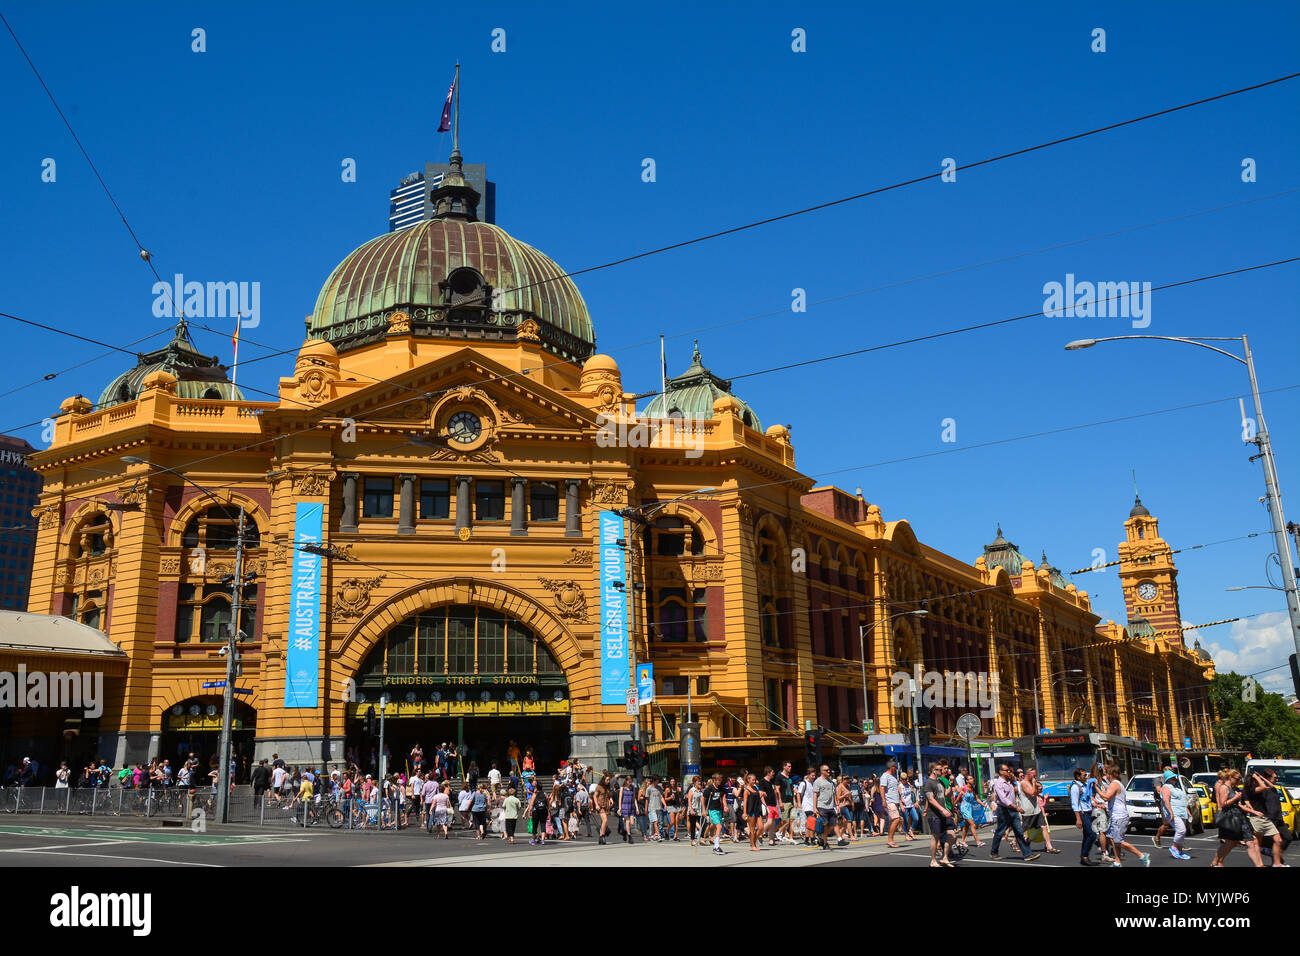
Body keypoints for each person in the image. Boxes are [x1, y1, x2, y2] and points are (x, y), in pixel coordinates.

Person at [1097, 763, 1149, 867]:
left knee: (1118, 841)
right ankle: (1117, 861)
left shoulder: (1114, 784)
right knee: (1113, 839)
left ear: (1111, 774)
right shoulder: (1118, 783)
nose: (1106, 775)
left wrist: (1096, 788)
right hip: (1117, 816)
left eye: (1107, 773)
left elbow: (1106, 797)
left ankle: (1142, 855)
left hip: (1119, 817)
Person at [1212, 768, 1265, 867]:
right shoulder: (1224, 787)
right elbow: (1223, 804)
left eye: (1240, 780)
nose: (1238, 782)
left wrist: (1254, 811)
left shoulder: (1234, 788)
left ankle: (1259, 865)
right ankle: (1216, 861)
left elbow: (1239, 805)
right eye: (1237, 779)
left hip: (1240, 817)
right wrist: (1235, 798)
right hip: (1231, 818)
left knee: (1251, 842)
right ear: (1231, 777)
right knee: (1230, 843)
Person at [988, 764, 1039, 862]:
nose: (1009, 772)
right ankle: (993, 852)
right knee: (1000, 832)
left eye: (1009, 770)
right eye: (1007, 770)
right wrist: (1016, 807)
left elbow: (1015, 793)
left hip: (1013, 810)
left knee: (1019, 832)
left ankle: (1027, 854)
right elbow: (1003, 799)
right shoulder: (999, 783)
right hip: (1004, 810)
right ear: (1001, 772)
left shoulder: (1009, 781)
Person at [1245, 767, 1289, 866]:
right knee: (1258, 844)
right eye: (1256, 779)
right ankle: (1260, 864)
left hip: (1265, 818)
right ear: (1253, 781)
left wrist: (1260, 777)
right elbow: (1264, 787)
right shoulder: (1252, 790)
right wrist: (1257, 778)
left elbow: (1270, 785)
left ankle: (1277, 864)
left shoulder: (1260, 787)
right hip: (1257, 819)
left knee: (1278, 840)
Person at [921, 763, 955, 867]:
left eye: (942, 769)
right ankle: (933, 860)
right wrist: (942, 809)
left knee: (952, 835)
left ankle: (945, 858)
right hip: (935, 814)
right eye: (939, 770)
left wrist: (951, 784)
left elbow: (946, 794)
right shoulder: (929, 784)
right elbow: (930, 799)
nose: (942, 771)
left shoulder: (940, 781)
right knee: (936, 837)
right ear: (933, 771)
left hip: (944, 813)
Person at [1159, 770, 1192, 860]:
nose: (1174, 778)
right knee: (1181, 830)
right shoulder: (1166, 787)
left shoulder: (1176, 788)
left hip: (1182, 812)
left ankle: (1180, 851)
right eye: (1172, 777)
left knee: (1182, 832)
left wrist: (1188, 812)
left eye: (1174, 777)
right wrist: (1171, 812)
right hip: (1174, 813)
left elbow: (1182, 801)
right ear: (1168, 779)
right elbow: (1166, 800)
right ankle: (1174, 847)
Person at [1069, 767, 1097, 865]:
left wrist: (1095, 803)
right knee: (1092, 835)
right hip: (1082, 813)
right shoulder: (1075, 787)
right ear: (1078, 776)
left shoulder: (1085, 785)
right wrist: (1078, 819)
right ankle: (1084, 856)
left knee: (1086, 836)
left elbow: (1088, 798)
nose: (1086, 777)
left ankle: (1084, 857)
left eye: (1086, 775)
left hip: (1089, 812)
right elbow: (1075, 804)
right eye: (1084, 775)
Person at [1089, 764, 1113, 862]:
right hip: (1100, 809)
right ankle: (1104, 853)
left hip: (1108, 808)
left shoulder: (1104, 780)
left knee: (1108, 831)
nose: (1105, 770)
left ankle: (1108, 849)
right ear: (1099, 770)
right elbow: (1090, 795)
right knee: (1102, 831)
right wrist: (1096, 804)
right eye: (1103, 769)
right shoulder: (1093, 782)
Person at [813, 765, 840, 849]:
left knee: (833, 824)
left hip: (831, 806)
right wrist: (815, 808)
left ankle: (821, 836)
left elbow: (834, 794)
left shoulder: (831, 782)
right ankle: (825, 843)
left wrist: (837, 805)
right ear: (822, 771)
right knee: (825, 825)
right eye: (826, 770)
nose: (829, 771)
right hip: (822, 806)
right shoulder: (818, 781)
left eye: (829, 770)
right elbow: (815, 795)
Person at [702, 773, 727, 855]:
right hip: (712, 810)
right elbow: (703, 798)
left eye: (720, 780)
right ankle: (716, 846)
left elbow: (723, 797)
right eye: (718, 780)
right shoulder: (710, 789)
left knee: (718, 828)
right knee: (719, 826)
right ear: (714, 780)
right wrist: (704, 809)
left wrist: (725, 806)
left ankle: (716, 845)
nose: (720, 782)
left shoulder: (720, 788)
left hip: (719, 809)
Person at [881, 761, 903, 847]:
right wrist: (884, 801)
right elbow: (882, 788)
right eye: (895, 767)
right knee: (897, 819)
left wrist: (900, 800)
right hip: (889, 801)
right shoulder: (885, 776)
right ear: (892, 767)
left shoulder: (893, 777)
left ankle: (890, 839)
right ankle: (890, 840)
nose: (896, 769)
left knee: (893, 821)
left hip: (895, 801)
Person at [527, 780, 550, 846]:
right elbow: (548, 803)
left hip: (536, 811)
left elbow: (531, 804)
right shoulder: (545, 794)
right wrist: (548, 810)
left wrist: (530, 811)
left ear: (536, 787)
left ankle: (533, 840)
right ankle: (542, 840)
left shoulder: (535, 794)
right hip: (543, 811)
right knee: (543, 825)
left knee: (535, 825)